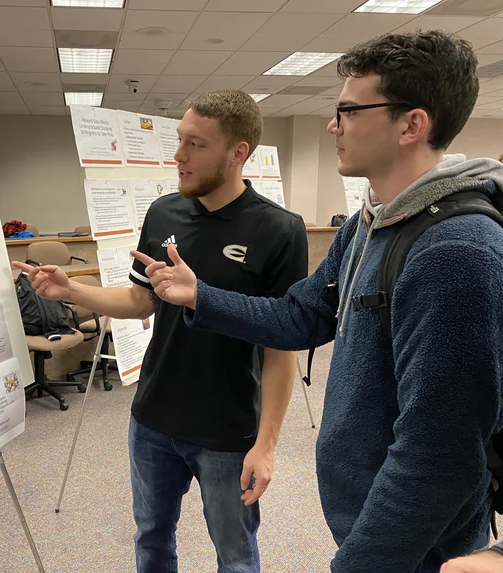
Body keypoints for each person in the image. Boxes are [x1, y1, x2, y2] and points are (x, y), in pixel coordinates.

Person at [132, 30, 503, 573]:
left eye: (349, 111)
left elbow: (438, 455)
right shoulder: (369, 225)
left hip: (416, 547)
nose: (333, 125)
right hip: (371, 524)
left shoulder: (456, 253)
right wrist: (200, 296)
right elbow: (299, 316)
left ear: (411, 125)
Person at [14, 89, 308, 573]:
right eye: (179, 140)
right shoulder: (164, 213)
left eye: (196, 144)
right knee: (151, 539)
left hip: (227, 430)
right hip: (152, 418)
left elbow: (282, 347)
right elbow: (140, 299)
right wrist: (73, 293)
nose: (178, 155)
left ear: (238, 153)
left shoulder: (279, 230)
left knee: (235, 555)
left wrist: (267, 444)